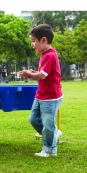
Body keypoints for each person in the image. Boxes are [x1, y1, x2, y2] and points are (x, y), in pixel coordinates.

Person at [19, 24, 63, 158]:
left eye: (33, 41)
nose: (32, 44)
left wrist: (30, 74)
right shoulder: (44, 54)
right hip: (41, 95)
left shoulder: (50, 55)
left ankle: (49, 150)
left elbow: (43, 76)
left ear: (43, 40)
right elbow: (43, 73)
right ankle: (54, 133)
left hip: (50, 97)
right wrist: (32, 73)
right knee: (33, 119)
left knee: (47, 124)